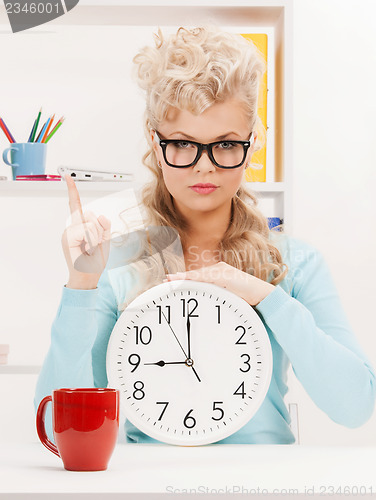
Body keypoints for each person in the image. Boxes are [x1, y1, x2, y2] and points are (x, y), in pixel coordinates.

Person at [34, 25, 375, 444]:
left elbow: (355, 406)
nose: (204, 166)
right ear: (156, 146)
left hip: (265, 481)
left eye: (226, 145)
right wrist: (82, 284)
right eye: (183, 144)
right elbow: (56, 428)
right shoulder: (116, 263)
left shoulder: (294, 263)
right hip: (149, 483)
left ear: (252, 146)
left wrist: (267, 298)